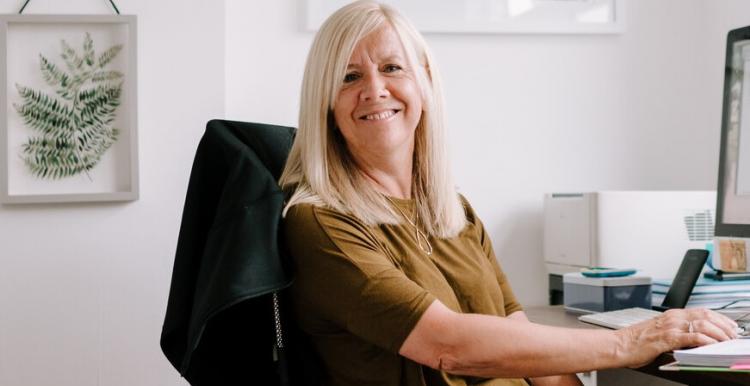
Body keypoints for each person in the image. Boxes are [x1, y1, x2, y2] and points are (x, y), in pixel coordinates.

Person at [278, 1, 739, 385]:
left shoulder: (452, 210)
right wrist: (631, 341)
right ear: (325, 101)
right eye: (349, 77)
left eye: (391, 67)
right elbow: (449, 346)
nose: (375, 90)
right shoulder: (320, 223)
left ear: (424, 83)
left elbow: (517, 335)